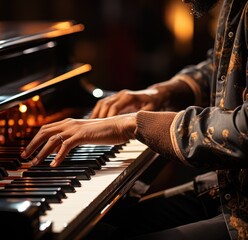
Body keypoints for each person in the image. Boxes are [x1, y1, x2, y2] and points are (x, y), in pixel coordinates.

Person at [20, 0, 248, 239]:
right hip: (231, 188)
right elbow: (222, 65)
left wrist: (133, 124)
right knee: (100, 230)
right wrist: (161, 92)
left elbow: (243, 130)